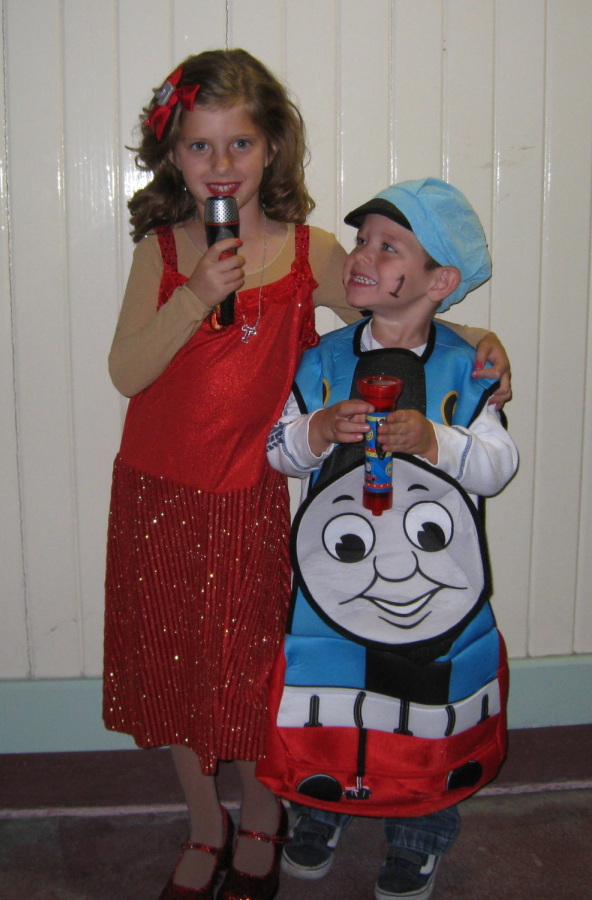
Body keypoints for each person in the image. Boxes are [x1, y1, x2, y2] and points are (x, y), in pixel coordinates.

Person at [103, 47, 511, 900]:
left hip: (249, 498)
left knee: (256, 676)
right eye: (199, 147)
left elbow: (392, 307)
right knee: (177, 670)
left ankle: (260, 817)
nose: (221, 166)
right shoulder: (165, 249)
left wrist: (478, 343)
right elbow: (127, 372)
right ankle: (203, 825)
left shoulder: (306, 252)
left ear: (272, 150)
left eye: (239, 145)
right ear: (173, 155)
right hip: (158, 494)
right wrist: (192, 295)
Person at [261, 178, 519, 900]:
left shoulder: (466, 370)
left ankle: (420, 828)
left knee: (424, 700)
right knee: (330, 694)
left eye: (387, 245)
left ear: (440, 280)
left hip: (436, 589)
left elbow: (498, 466)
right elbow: (278, 451)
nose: (361, 256)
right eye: (362, 240)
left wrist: (436, 441)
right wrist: (313, 432)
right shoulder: (320, 360)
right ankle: (318, 808)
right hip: (333, 584)